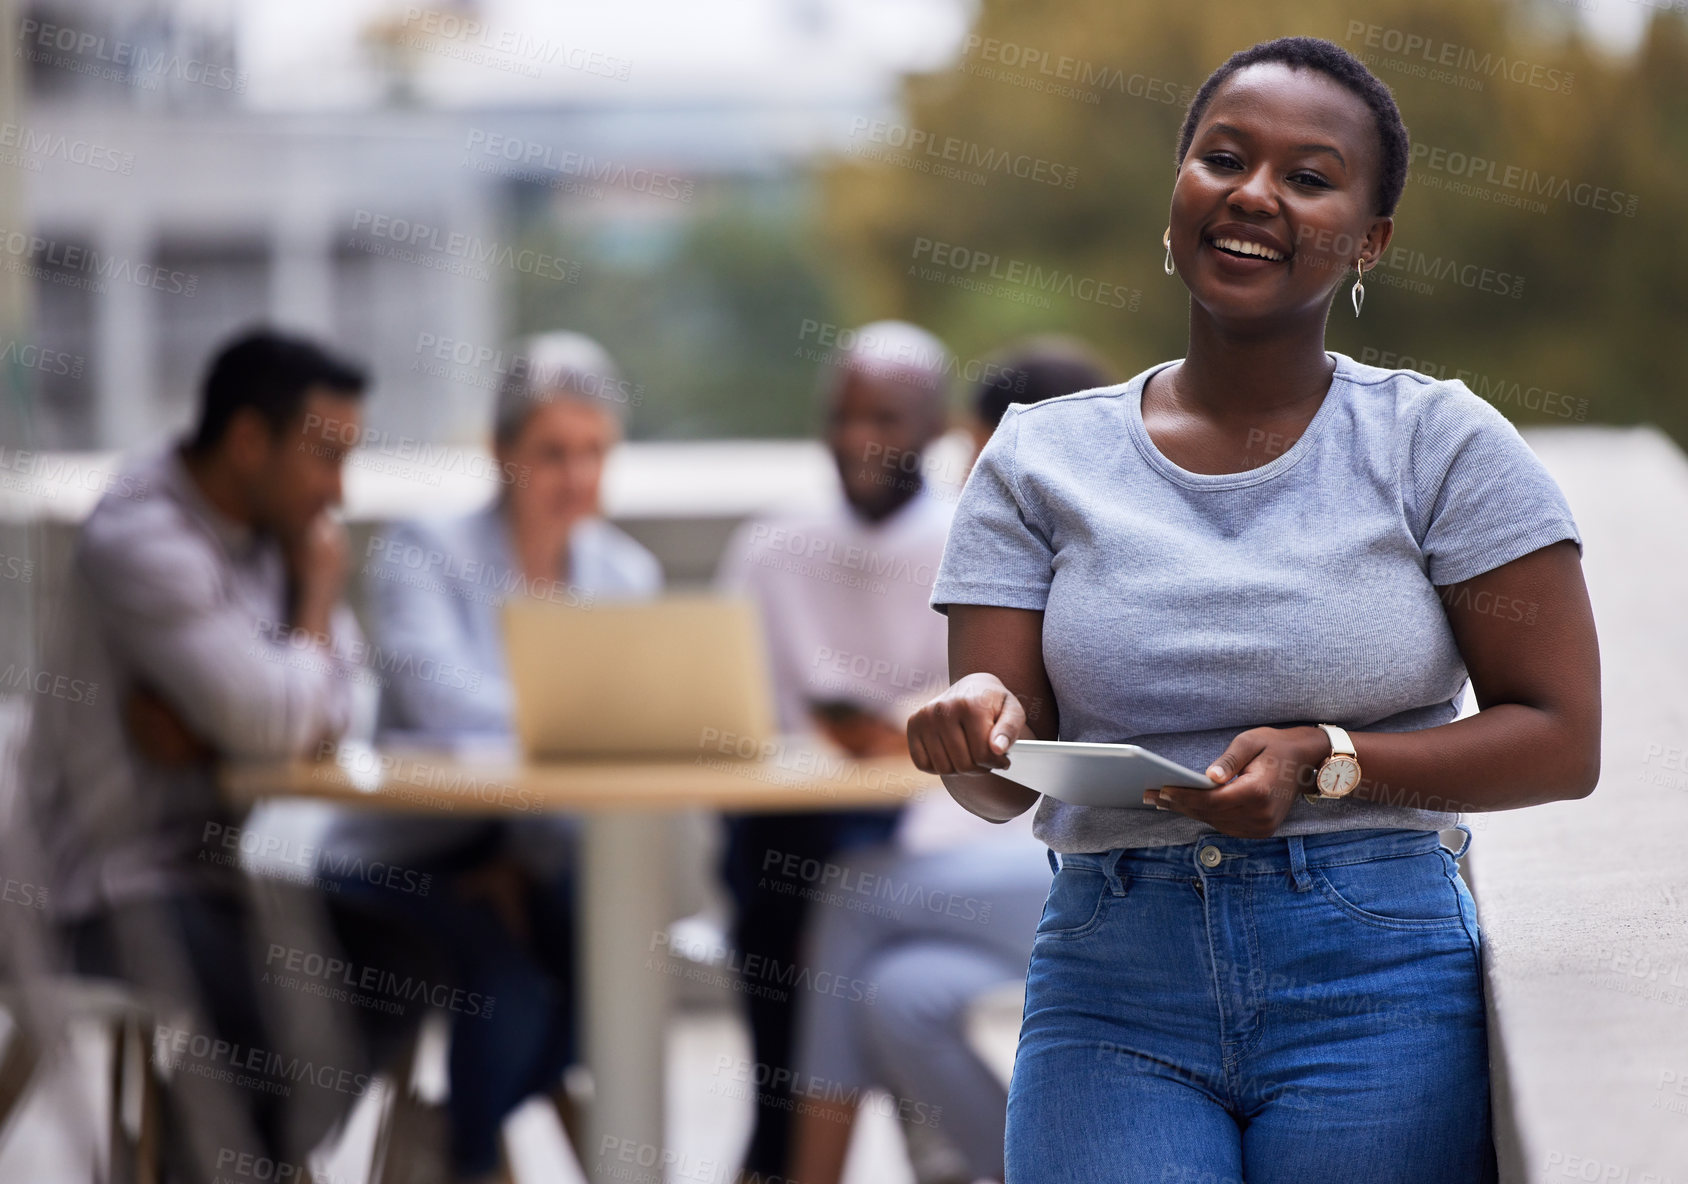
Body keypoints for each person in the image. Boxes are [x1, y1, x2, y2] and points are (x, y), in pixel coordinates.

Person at [908, 36, 1601, 1184]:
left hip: (1373, 972)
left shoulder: (1440, 445)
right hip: (1109, 979)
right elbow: (995, 775)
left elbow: (1560, 738)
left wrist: (1328, 758)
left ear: (1368, 239)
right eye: (1221, 158)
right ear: (1175, 191)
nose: (1252, 195)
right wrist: (968, 726)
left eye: (1309, 177)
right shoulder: (1037, 459)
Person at [21, 328, 370, 1181]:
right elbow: (279, 718)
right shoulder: (142, 541)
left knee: (403, 960)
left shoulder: (274, 532)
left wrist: (248, 709)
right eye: (324, 457)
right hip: (101, 889)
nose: (338, 489)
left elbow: (351, 703)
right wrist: (317, 604)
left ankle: (186, 1161)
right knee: (302, 1015)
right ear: (249, 440)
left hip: (217, 874)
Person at [317, 331, 660, 1184]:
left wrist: (520, 845)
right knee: (508, 989)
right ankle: (464, 1162)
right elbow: (445, 706)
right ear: (502, 453)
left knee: (621, 958)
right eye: (551, 452)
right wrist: (574, 728)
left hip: (533, 852)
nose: (576, 476)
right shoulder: (424, 549)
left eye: (593, 452)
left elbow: (622, 736)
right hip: (405, 854)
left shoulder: (625, 575)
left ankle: (442, 1151)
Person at [786, 341, 1114, 1184]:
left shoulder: (1100, 555)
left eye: (980, 452)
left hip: (1088, 866)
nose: (972, 479)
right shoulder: (1010, 550)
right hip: (1009, 860)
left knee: (851, 893)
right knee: (901, 996)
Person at [714, 320, 955, 1180]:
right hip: (784, 820)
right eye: (845, 416)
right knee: (787, 862)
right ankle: (883, 1138)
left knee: (819, 884)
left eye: (886, 417)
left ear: (935, 426)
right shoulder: (771, 549)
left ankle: (782, 1153)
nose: (860, 438)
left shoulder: (967, 543)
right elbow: (726, 702)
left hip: (923, 828)